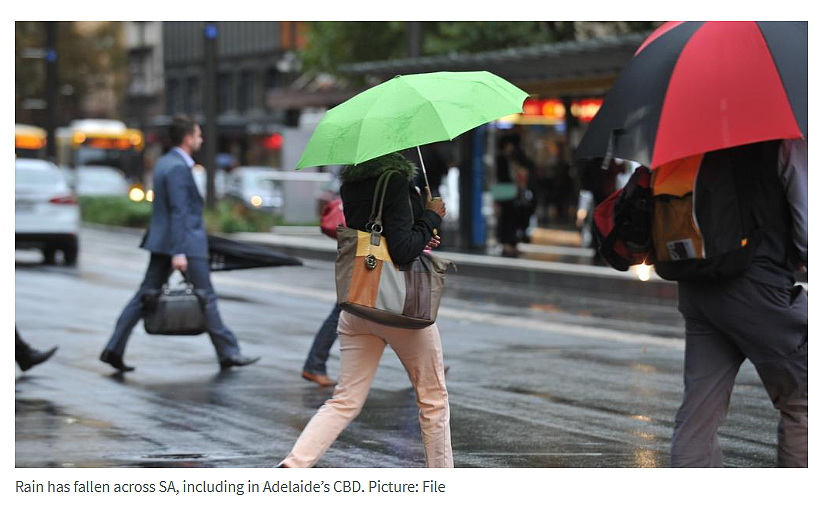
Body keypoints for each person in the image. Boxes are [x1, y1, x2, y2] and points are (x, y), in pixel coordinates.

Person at [277, 152, 452, 468]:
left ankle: (293, 466)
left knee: (344, 400)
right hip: (401, 308)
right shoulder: (396, 180)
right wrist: (431, 216)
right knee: (433, 401)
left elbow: (382, 235)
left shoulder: (352, 183)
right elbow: (401, 250)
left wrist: (423, 227)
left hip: (359, 304)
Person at [670, 139, 807, 467]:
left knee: (698, 415)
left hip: (697, 284)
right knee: (807, 398)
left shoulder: (692, 135)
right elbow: (810, 234)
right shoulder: (785, 138)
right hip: (758, 287)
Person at [99, 115, 259, 372]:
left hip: (164, 241)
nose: (201, 139)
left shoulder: (165, 163)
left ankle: (113, 348)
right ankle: (229, 351)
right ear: (187, 138)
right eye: (198, 135)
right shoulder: (177, 168)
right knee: (205, 297)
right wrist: (179, 251)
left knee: (144, 296)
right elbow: (179, 211)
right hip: (183, 243)